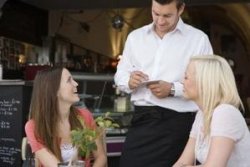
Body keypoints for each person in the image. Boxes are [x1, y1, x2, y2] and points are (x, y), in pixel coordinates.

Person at [114, 0, 213, 166]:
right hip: (142, 119)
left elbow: (208, 83)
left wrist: (173, 89)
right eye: (156, 13)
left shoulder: (198, 39)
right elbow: (120, 75)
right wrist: (129, 81)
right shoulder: (135, 37)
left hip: (178, 123)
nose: (160, 21)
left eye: (167, 15)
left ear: (181, 9)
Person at [173, 55, 250, 167]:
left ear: (204, 82)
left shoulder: (225, 113)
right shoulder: (201, 114)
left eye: (186, 77)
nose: (181, 82)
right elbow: (183, 162)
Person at [25, 67, 107, 167]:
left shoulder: (84, 116)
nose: (76, 84)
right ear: (54, 90)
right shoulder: (34, 126)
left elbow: (101, 157)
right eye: (69, 80)